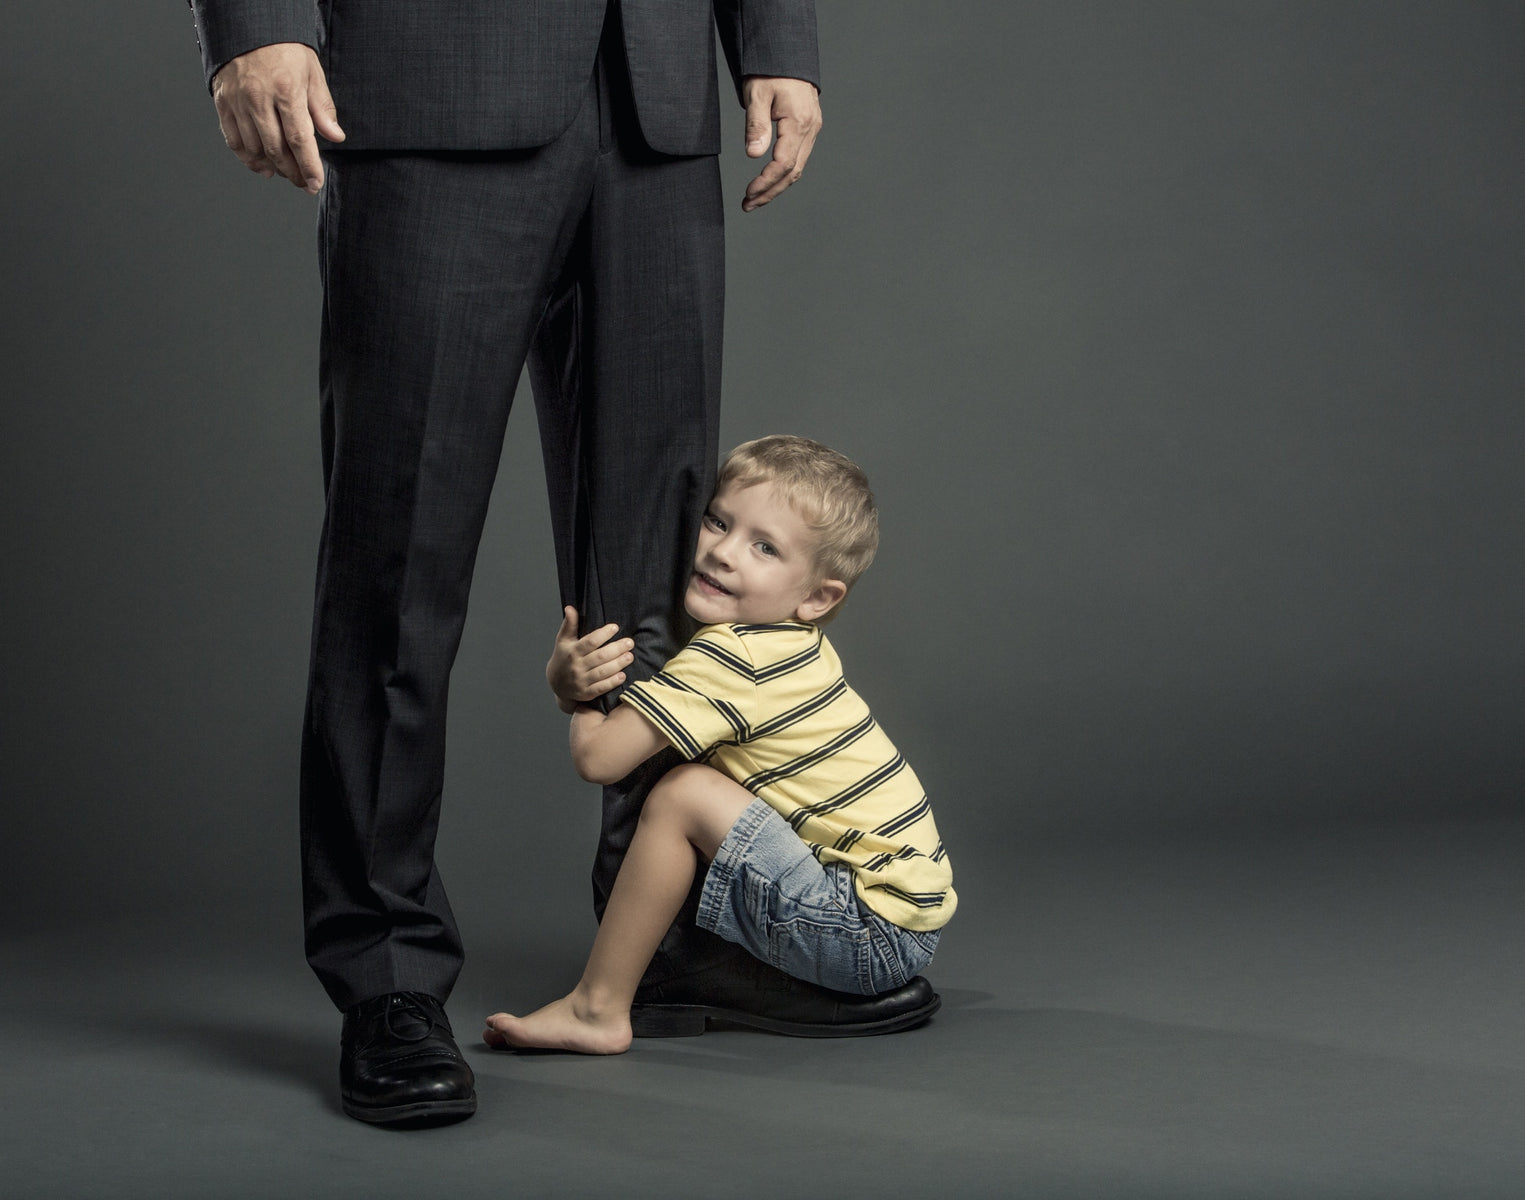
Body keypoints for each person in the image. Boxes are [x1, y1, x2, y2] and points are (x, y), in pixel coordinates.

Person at [188, 1, 933, 1125]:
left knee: (672, 568)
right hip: (430, 78)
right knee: (400, 560)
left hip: (654, 95)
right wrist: (253, 21)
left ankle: (672, 940)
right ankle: (385, 975)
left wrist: (774, 40)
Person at [485, 436, 954, 1053]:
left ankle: (597, 1008)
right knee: (702, 785)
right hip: (909, 923)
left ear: (816, 597)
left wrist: (572, 690)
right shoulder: (794, 647)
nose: (722, 552)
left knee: (683, 794)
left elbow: (598, 760)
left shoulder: (733, 657)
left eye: (764, 547)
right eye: (718, 521)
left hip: (865, 932)